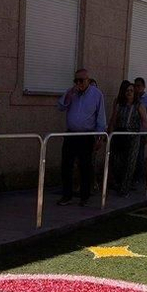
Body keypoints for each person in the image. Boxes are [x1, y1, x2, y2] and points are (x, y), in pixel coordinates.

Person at [56, 68, 106, 205]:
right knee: (66, 165)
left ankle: (84, 196)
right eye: (76, 80)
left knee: (85, 166)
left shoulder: (97, 95)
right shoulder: (71, 92)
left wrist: (99, 138)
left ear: (88, 80)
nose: (79, 83)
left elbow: (101, 118)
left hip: (86, 135)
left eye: (81, 80)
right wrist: (69, 95)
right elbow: (60, 107)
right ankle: (67, 195)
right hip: (71, 134)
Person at [109, 81, 146, 197]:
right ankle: (119, 183)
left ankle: (124, 188)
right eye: (127, 90)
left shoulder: (139, 105)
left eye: (131, 90)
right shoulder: (119, 103)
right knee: (116, 162)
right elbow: (113, 120)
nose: (129, 93)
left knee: (130, 163)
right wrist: (109, 133)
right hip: (119, 134)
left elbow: (146, 122)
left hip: (133, 136)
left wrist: (144, 135)